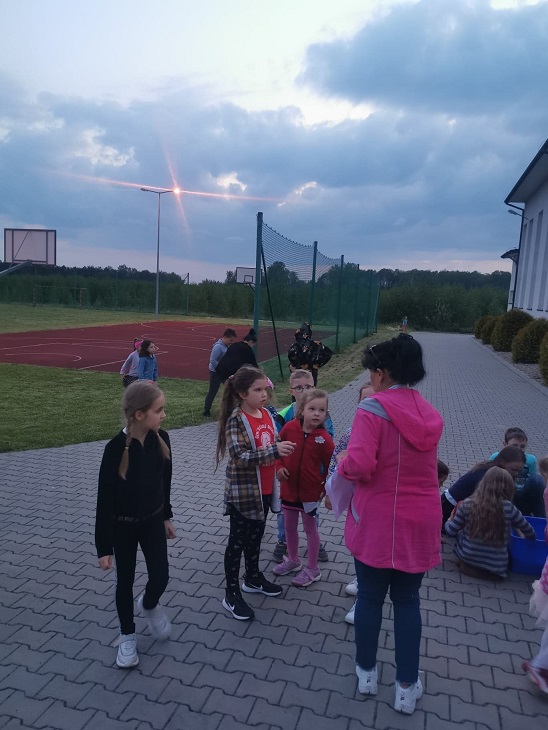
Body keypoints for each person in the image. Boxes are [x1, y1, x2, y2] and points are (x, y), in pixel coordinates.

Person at [337, 333, 443, 715]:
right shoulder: (429, 413)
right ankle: (406, 687)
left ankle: (366, 673)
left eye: (371, 371)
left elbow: (361, 465)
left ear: (380, 373)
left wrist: (343, 462)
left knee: (369, 597)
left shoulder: (372, 409)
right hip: (420, 522)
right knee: (408, 602)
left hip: (378, 521)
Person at [95, 381, 176, 668]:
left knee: (161, 576)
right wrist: (104, 547)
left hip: (153, 521)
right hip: (122, 528)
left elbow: (165, 482)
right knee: (124, 583)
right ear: (140, 414)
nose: (164, 415)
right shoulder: (114, 449)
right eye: (159, 410)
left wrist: (166, 516)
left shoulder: (162, 438)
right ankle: (127, 635)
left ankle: (149, 604)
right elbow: (104, 500)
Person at [215, 365, 296, 621]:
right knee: (237, 543)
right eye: (257, 390)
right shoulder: (236, 420)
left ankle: (252, 578)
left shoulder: (267, 414)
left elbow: (273, 441)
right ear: (241, 393)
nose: (264, 394)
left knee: (256, 537)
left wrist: (281, 453)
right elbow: (239, 456)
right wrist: (274, 451)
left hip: (265, 490)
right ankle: (231, 594)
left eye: (265, 389)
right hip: (243, 494)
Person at [273, 389, 334, 587]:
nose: (317, 413)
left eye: (322, 410)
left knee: (310, 529)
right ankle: (293, 560)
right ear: (302, 410)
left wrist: (326, 489)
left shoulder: (324, 438)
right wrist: (279, 468)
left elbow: (332, 465)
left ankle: (313, 568)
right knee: (289, 527)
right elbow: (277, 450)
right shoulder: (290, 427)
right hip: (289, 490)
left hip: (310, 494)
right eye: (312, 409)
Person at [444, 467, 535, 579]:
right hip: (496, 569)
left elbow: (451, 531)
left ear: (483, 483)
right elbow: (529, 531)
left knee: (462, 533)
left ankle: (468, 560)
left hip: (468, 561)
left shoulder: (468, 504)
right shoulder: (509, 508)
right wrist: (530, 542)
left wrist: (448, 520)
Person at [441, 446, 527, 528]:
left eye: (519, 471)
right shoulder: (488, 476)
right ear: (502, 462)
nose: (516, 473)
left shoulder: (493, 470)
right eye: (514, 469)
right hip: (449, 505)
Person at [488, 427, 545, 518]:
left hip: (522, 498)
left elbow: (534, 485)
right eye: (514, 446)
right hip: (503, 498)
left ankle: (541, 519)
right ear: (505, 445)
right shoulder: (496, 457)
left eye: (522, 446)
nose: (519, 449)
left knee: (537, 480)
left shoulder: (530, 460)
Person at [203, 328, 237, 416]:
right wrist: (221, 369)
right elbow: (213, 360)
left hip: (224, 373)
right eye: (230, 340)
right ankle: (206, 410)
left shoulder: (227, 346)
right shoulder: (218, 347)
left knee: (230, 390)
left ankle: (229, 409)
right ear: (225, 337)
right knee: (212, 392)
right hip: (216, 373)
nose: (231, 342)